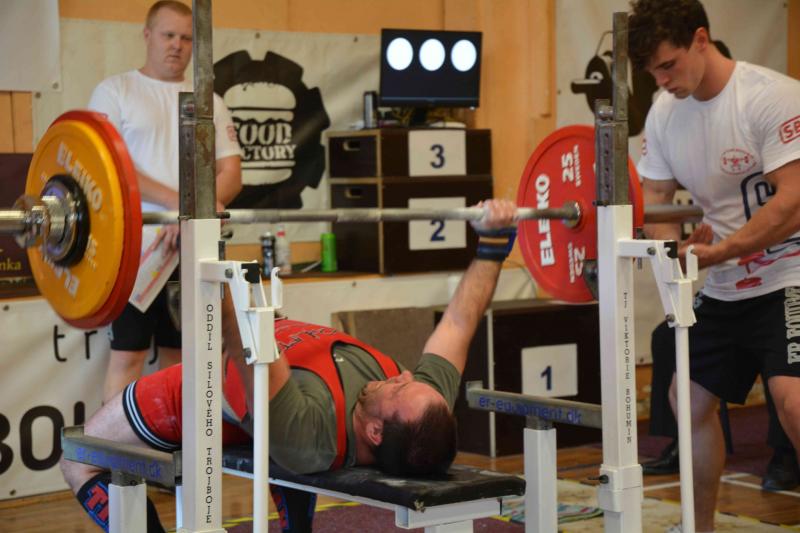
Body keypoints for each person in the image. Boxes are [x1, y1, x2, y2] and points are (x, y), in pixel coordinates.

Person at [59, 199, 519, 532]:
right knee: (281, 433)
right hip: (266, 394)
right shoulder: (424, 407)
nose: (401, 375)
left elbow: (239, 335)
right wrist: (493, 244)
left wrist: (205, 242)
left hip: (196, 393)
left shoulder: (311, 434)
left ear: (376, 431)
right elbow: (459, 323)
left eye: (397, 388)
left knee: (80, 458)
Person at [629, 0, 800, 530]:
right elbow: (656, 200)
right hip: (727, 285)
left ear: (700, 40)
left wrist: (722, 251)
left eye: (669, 64)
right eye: (653, 71)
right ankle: (698, 527)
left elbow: (793, 200)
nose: (662, 80)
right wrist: (675, 248)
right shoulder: (664, 113)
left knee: (793, 402)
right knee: (687, 401)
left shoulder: (770, 97)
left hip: (791, 273)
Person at [88, 0, 242, 402]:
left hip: (189, 249)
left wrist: (193, 214)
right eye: (168, 35)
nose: (177, 45)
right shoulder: (115, 91)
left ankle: (179, 441)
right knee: (128, 357)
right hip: (133, 255)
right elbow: (110, 168)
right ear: (147, 35)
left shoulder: (210, 101)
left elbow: (231, 173)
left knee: (184, 359)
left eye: (187, 38)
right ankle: (113, 443)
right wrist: (184, 207)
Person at [644, 320, 800, 491]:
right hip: (725, 307)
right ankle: (685, 443)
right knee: (666, 335)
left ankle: (786, 453)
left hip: (778, 309)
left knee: (782, 373)